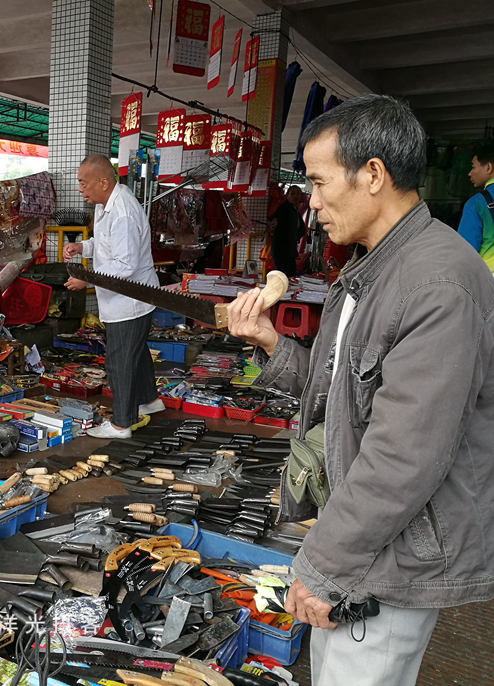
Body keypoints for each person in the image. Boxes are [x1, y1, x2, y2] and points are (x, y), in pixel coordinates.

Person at [225, 94, 494, 686]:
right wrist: (271, 342)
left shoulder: (438, 283)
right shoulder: (370, 271)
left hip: (389, 557)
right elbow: (341, 395)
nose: (311, 203)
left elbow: (405, 457)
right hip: (361, 540)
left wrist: (322, 566)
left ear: (373, 174)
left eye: (320, 183)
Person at [62, 155, 163, 439]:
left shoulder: (123, 213)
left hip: (130, 301)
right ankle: (150, 401)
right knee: (137, 353)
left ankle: (121, 424)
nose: (81, 189)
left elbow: (125, 265)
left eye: (84, 183)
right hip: (126, 300)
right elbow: (105, 244)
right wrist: (82, 247)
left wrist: (87, 278)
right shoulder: (106, 204)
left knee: (119, 360)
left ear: (103, 182)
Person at [456, 143, 494, 272]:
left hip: (489, 277)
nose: (470, 173)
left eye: (473, 167)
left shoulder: (477, 203)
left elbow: (466, 252)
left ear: (488, 168)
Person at [269, 184, 307, 278]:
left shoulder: (294, 210)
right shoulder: (283, 208)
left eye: (298, 194)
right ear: (287, 195)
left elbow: (301, 229)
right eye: (292, 194)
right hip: (282, 251)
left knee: (290, 276)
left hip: (290, 250)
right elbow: (275, 219)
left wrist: (295, 238)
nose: (295, 196)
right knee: (283, 276)